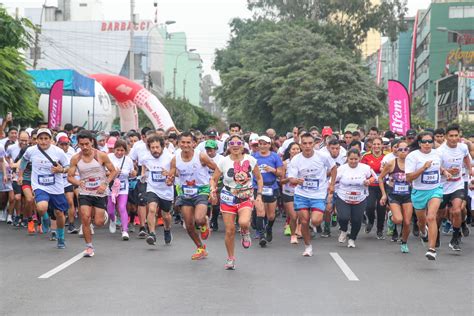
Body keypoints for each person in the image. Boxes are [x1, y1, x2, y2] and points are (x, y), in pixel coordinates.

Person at [210, 134, 264, 270]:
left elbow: (259, 178)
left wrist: (259, 195)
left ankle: (245, 231)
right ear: (228, 146)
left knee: (244, 222)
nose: (235, 146)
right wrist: (212, 189)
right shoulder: (223, 161)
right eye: (232, 143)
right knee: (229, 230)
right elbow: (214, 178)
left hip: (246, 196)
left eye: (238, 143)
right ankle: (230, 258)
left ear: (243, 146)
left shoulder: (250, 160)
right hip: (228, 196)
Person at [68, 130, 118, 257]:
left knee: (99, 222)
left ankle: (104, 215)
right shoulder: (75, 158)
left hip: (100, 192)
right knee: (85, 217)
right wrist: (78, 183)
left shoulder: (101, 155)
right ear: (78, 144)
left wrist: (105, 184)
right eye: (81, 144)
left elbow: (113, 171)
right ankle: (89, 247)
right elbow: (70, 176)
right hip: (85, 192)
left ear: (92, 143)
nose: (84, 147)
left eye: (87, 144)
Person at [169, 132, 217, 260]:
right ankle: (200, 248)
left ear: (194, 143)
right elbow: (172, 173)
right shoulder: (175, 158)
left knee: (199, 219)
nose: (185, 145)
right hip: (185, 192)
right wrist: (169, 179)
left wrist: (213, 183)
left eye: (188, 142)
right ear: (178, 143)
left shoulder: (201, 156)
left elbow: (217, 169)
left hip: (201, 190)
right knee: (189, 225)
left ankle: (204, 222)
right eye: (183, 142)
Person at [19, 128, 69, 249]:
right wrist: (20, 174)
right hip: (39, 185)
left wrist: (61, 170)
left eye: (46, 138)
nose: (43, 141)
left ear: (51, 140)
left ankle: (61, 237)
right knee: (41, 208)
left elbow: (68, 166)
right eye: (40, 139)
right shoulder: (31, 151)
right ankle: (45, 219)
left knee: (59, 213)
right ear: (37, 140)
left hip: (56, 186)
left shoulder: (58, 151)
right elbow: (24, 160)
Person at [288, 133, 336, 257]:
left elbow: (334, 168)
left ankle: (312, 225)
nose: (308, 146)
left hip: (318, 193)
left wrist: (332, 184)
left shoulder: (323, 156)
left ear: (314, 144)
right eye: (305, 143)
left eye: (310, 143)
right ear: (300, 145)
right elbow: (291, 178)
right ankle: (308, 246)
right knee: (304, 221)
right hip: (301, 194)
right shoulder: (296, 159)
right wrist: (295, 181)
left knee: (315, 220)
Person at [405, 132, 444, 260]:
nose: (427, 144)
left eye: (429, 141)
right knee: (421, 221)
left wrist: (446, 172)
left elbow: (439, 167)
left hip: (435, 190)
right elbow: (409, 178)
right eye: (424, 142)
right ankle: (423, 231)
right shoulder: (412, 156)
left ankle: (431, 249)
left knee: (431, 217)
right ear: (420, 143)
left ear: (432, 143)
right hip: (419, 191)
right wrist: (423, 168)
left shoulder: (438, 154)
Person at [437, 124, 472, 252]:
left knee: (457, 210)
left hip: (457, 183)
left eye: (456, 136)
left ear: (459, 136)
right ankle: (436, 235)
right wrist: (446, 170)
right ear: (446, 137)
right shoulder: (440, 151)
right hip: (442, 185)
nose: (453, 138)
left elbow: (466, 157)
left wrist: (470, 170)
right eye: (451, 136)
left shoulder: (463, 147)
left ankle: (455, 238)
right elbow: (436, 168)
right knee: (439, 214)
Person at [379, 140, 413, 253]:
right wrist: (384, 194)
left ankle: (404, 242)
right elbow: (380, 178)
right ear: (396, 151)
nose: (403, 152)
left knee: (407, 222)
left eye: (406, 149)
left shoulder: (413, 163)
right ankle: (391, 218)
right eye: (400, 149)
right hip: (393, 194)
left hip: (408, 194)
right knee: (398, 219)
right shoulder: (391, 163)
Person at [140, 135, 175, 246]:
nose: (155, 150)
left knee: (166, 215)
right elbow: (144, 166)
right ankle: (152, 234)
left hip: (166, 190)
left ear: (162, 147)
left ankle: (167, 229)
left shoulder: (170, 157)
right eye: (152, 148)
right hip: (152, 187)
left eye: (157, 147)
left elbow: (175, 173)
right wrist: (143, 174)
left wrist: (169, 176)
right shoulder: (145, 157)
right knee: (151, 209)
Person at [335, 149, 373, 248]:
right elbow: (333, 181)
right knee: (343, 217)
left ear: (360, 158)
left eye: (356, 159)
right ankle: (343, 230)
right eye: (351, 159)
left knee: (357, 220)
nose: (353, 161)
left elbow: (374, 177)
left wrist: (368, 181)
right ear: (347, 158)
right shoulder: (341, 169)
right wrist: (331, 191)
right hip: (343, 197)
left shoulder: (365, 168)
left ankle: (352, 239)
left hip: (360, 197)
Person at [253, 135, 283, 247]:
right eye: (260, 143)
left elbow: (281, 173)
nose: (262, 146)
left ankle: (269, 228)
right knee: (260, 212)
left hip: (272, 187)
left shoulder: (275, 157)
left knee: (270, 216)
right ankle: (261, 236)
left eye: (265, 143)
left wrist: (272, 170)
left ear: (269, 145)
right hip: (257, 187)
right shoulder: (253, 157)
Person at [107, 139, 135, 241]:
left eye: (122, 150)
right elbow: (104, 172)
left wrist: (133, 173)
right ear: (114, 149)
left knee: (122, 207)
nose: (119, 152)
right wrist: (114, 173)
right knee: (110, 209)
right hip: (111, 187)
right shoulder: (109, 157)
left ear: (125, 151)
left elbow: (132, 173)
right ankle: (113, 220)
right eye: (117, 150)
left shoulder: (128, 160)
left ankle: (125, 230)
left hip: (123, 187)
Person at [361, 137, 386, 239]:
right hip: (370, 186)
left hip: (383, 186)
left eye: (378, 144)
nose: (376, 146)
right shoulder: (366, 156)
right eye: (374, 144)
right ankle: (370, 221)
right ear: (371, 145)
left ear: (382, 145)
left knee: (381, 208)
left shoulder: (386, 156)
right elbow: (361, 170)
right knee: (369, 206)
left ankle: (380, 230)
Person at [57, 135, 79, 234]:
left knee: (70, 201)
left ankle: (71, 224)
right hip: (56, 182)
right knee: (57, 205)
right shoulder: (54, 153)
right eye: (62, 144)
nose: (64, 146)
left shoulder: (72, 153)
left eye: (66, 144)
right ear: (58, 144)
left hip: (67, 181)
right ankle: (56, 224)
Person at [280, 142, 301, 244]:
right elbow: (281, 181)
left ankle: (299, 229)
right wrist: (290, 179)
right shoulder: (285, 163)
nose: (295, 151)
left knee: (302, 215)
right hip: (288, 193)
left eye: (297, 149)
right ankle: (293, 235)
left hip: (301, 193)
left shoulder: (304, 162)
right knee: (293, 216)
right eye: (293, 149)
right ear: (289, 151)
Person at [204, 139, 223, 231]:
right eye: (207, 149)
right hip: (206, 182)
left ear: (216, 149)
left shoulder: (221, 159)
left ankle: (214, 220)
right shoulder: (203, 157)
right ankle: (206, 221)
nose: (209, 151)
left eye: (211, 149)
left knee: (215, 203)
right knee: (206, 203)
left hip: (218, 182)